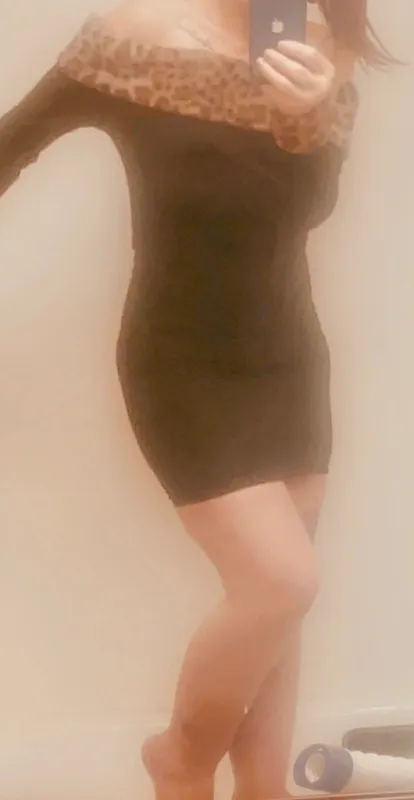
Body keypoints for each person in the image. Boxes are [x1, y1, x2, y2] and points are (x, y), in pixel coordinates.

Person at [0, 2, 393, 798]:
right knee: (282, 580)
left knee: (279, 614)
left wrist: (308, 118)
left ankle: (262, 786)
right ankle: (180, 756)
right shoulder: (131, 39)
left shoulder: (322, 49)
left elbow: (307, 212)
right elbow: (11, 146)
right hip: (179, 361)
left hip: (289, 360)